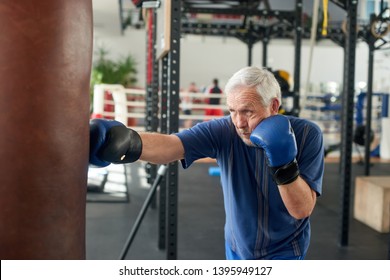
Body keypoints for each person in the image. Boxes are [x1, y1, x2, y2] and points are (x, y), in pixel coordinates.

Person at [89, 66, 324, 260]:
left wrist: (284, 163)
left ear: (273, 106)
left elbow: (302, 209)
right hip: (236, 247)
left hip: (284, 252)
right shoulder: (224, 130)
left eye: (248, 112)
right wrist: (129, 141)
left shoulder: (307, 135)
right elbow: (173, 145)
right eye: (232, 111)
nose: (239, 122)